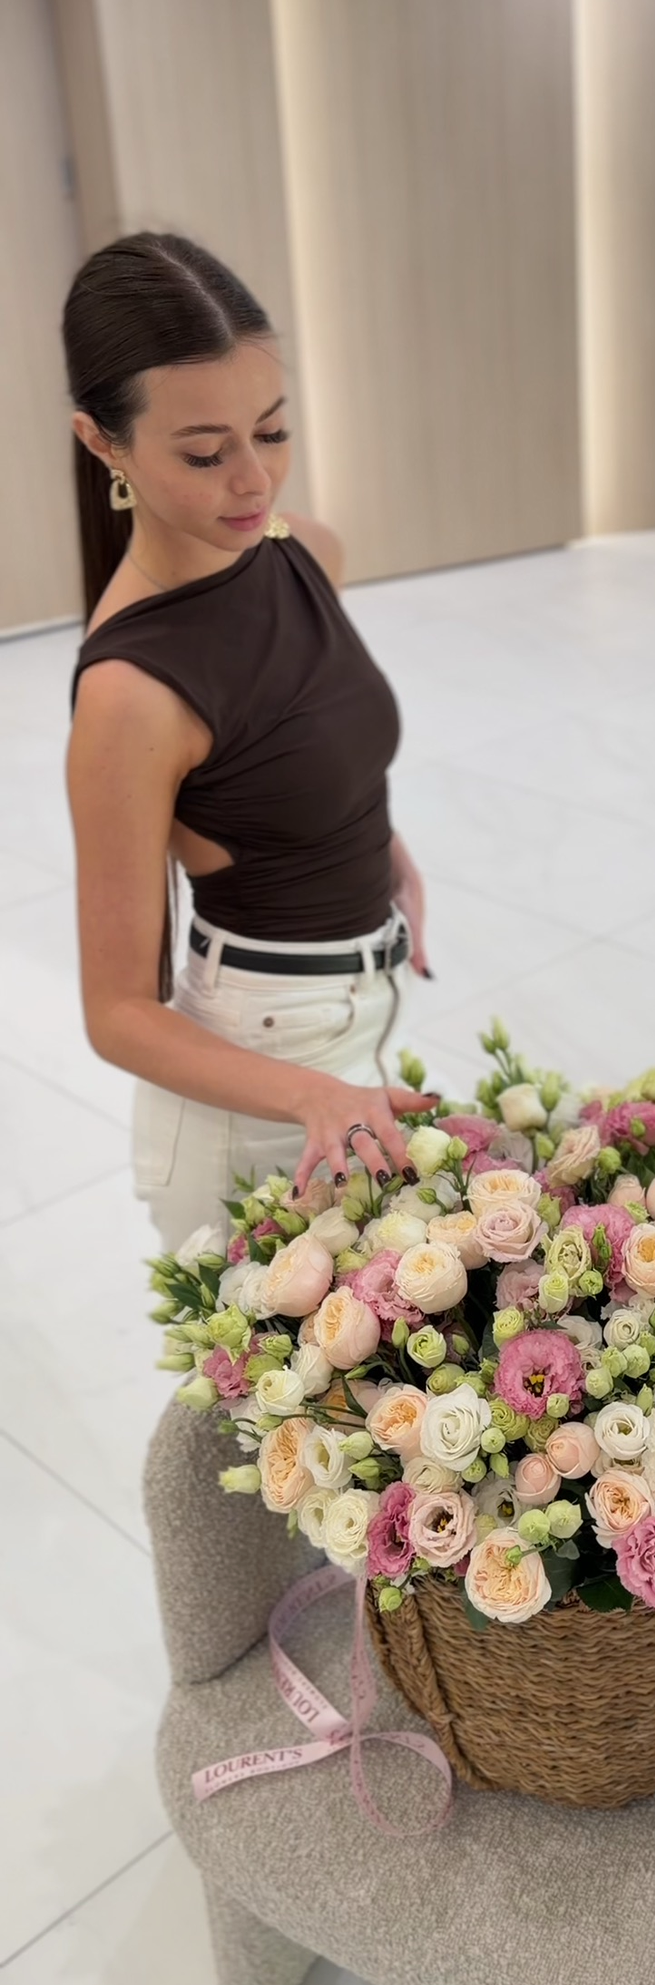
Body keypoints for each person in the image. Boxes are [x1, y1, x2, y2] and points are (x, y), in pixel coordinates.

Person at [65, 231, 439, 1252]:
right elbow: (117, 1012)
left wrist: (375, 847)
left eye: (271, 432)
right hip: (255, 1074)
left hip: (351, 1030)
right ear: (104, 444)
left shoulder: (307, 551)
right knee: (265, 1407)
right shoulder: (130, 692)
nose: (251, 480)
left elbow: (309, 737)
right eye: (203, 452)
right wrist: (312, 1094)